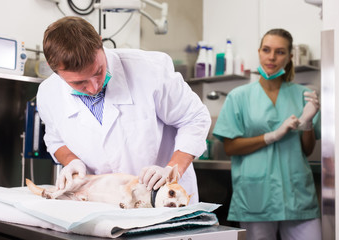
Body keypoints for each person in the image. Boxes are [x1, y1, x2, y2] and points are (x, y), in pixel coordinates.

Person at [36, 16, 211, 204]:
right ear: (56, 72)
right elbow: (55, 140)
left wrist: (171, 169)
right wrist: (71, 161)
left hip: (166, 200)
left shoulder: (149, 69)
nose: (95, 87)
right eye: (79, 83)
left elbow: (194, 118)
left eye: (98, 71)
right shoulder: (49, 94)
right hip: (104, 204)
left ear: (100, 44)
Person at [213, 29, 321, 240]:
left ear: (290, 58)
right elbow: (230, 147)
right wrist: (272, 136)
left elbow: (307, 151)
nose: (272, 57)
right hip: (256, 196)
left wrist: (307, 123)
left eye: (280, 52)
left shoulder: (302, 95)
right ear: (259, 52)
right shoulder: (239, 96)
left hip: (297, 195)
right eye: (266, 50)